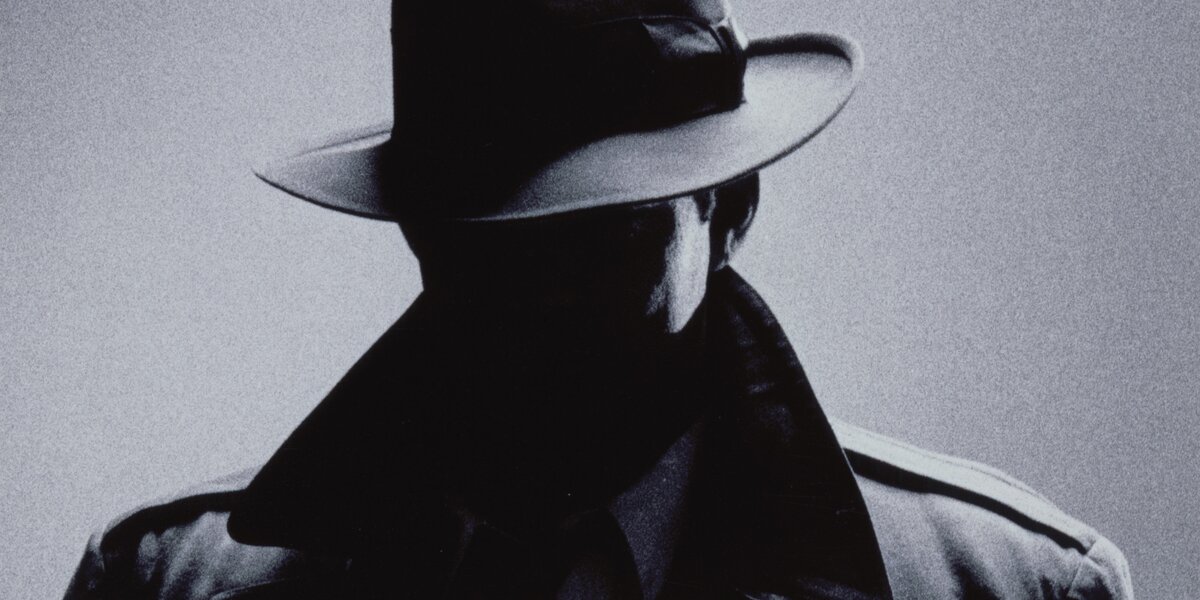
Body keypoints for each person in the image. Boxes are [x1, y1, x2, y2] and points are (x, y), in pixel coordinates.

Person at [63, 1, 1134, 598]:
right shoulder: (165, 584)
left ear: (728, 211)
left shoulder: (1012, 589)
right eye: (479, 238)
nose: (531, 300)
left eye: (594, 233)